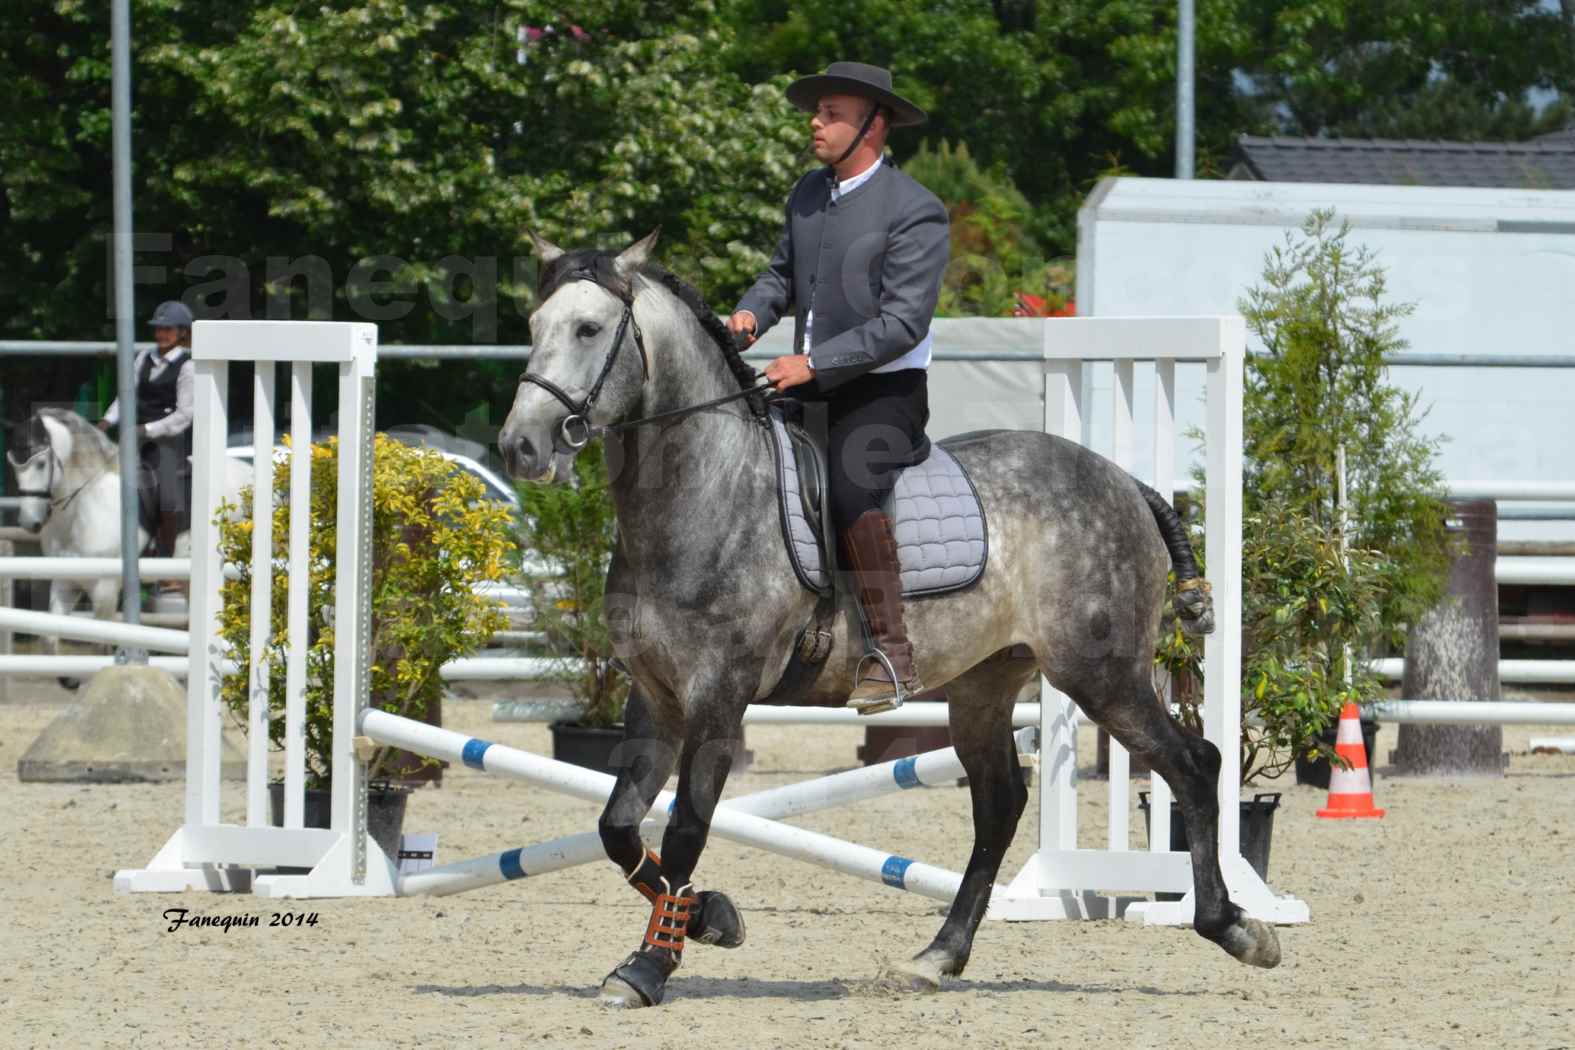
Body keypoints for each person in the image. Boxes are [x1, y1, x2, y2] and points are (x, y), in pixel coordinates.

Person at [728, 62, 949, 713]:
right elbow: (779, 277)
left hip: (883, 394)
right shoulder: (807, 193)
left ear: (872, 126)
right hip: (810, 388)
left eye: (830, 114)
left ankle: (891, 651)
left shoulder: (916, 210)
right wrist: (749, 313)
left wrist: (814, 365)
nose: (815, 123)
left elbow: (903, 324)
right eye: (817, 112)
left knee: (851, 485)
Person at [99, 301, 196, 600]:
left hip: (170, 443)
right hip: (136, 439)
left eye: (168, 329)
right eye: (159, 329)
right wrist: (105, 421)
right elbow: (125, 397)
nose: (161, 334)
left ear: (181, 333)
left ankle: (167, 568)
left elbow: (185, 415)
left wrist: (147, 429)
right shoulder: (143, 358)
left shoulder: (189, 366)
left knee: (167, 497)